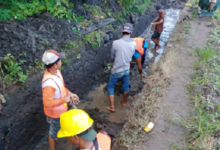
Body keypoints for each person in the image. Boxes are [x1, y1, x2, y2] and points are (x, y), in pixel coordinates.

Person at [41, 49, 80, 150]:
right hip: (55, 114)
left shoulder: (57, 72)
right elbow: (47, 103)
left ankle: (71, 137)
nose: (61, 62)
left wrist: (70, 94)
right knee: (53, 134)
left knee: (64, 126)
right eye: (59, 60)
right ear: (55, 65)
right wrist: (64, 100)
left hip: (62, 110)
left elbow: (62, 88)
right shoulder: (48, 83)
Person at [106, 23, 136, 112]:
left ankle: (112, 107)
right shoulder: (133, 43)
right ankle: (124, 101)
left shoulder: (115, 43)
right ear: (131, 32)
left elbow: (112, 57)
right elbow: (132, 55)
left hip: (117, 70)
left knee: (110, 87)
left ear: (122, 30)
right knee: (125, 85)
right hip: (126, 69)